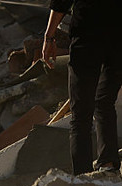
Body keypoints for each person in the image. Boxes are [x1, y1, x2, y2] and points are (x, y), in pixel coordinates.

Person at [43, 1, 122, 175]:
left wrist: (49, 36)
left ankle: (83, 175)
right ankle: (108, 164)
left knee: (81, 113)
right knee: (104, 102)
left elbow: (61, 2)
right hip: (118, 39)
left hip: (87, 36)